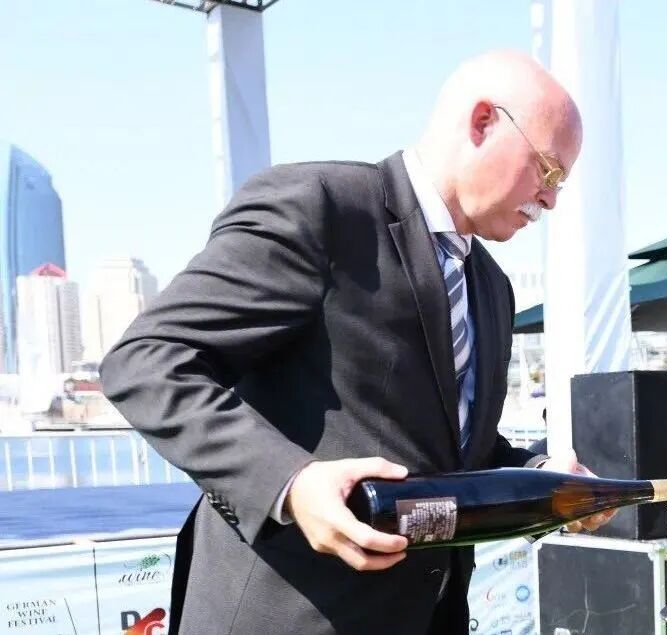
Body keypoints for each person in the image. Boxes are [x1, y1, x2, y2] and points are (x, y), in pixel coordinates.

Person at [100, 50, 611, 635]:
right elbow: (147, 361)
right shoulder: (322, 208)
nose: (550, 199)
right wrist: (291, 484)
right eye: (548, 171)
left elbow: (454, 450)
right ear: (482, 123)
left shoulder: (493, 287)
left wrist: (540, 472)